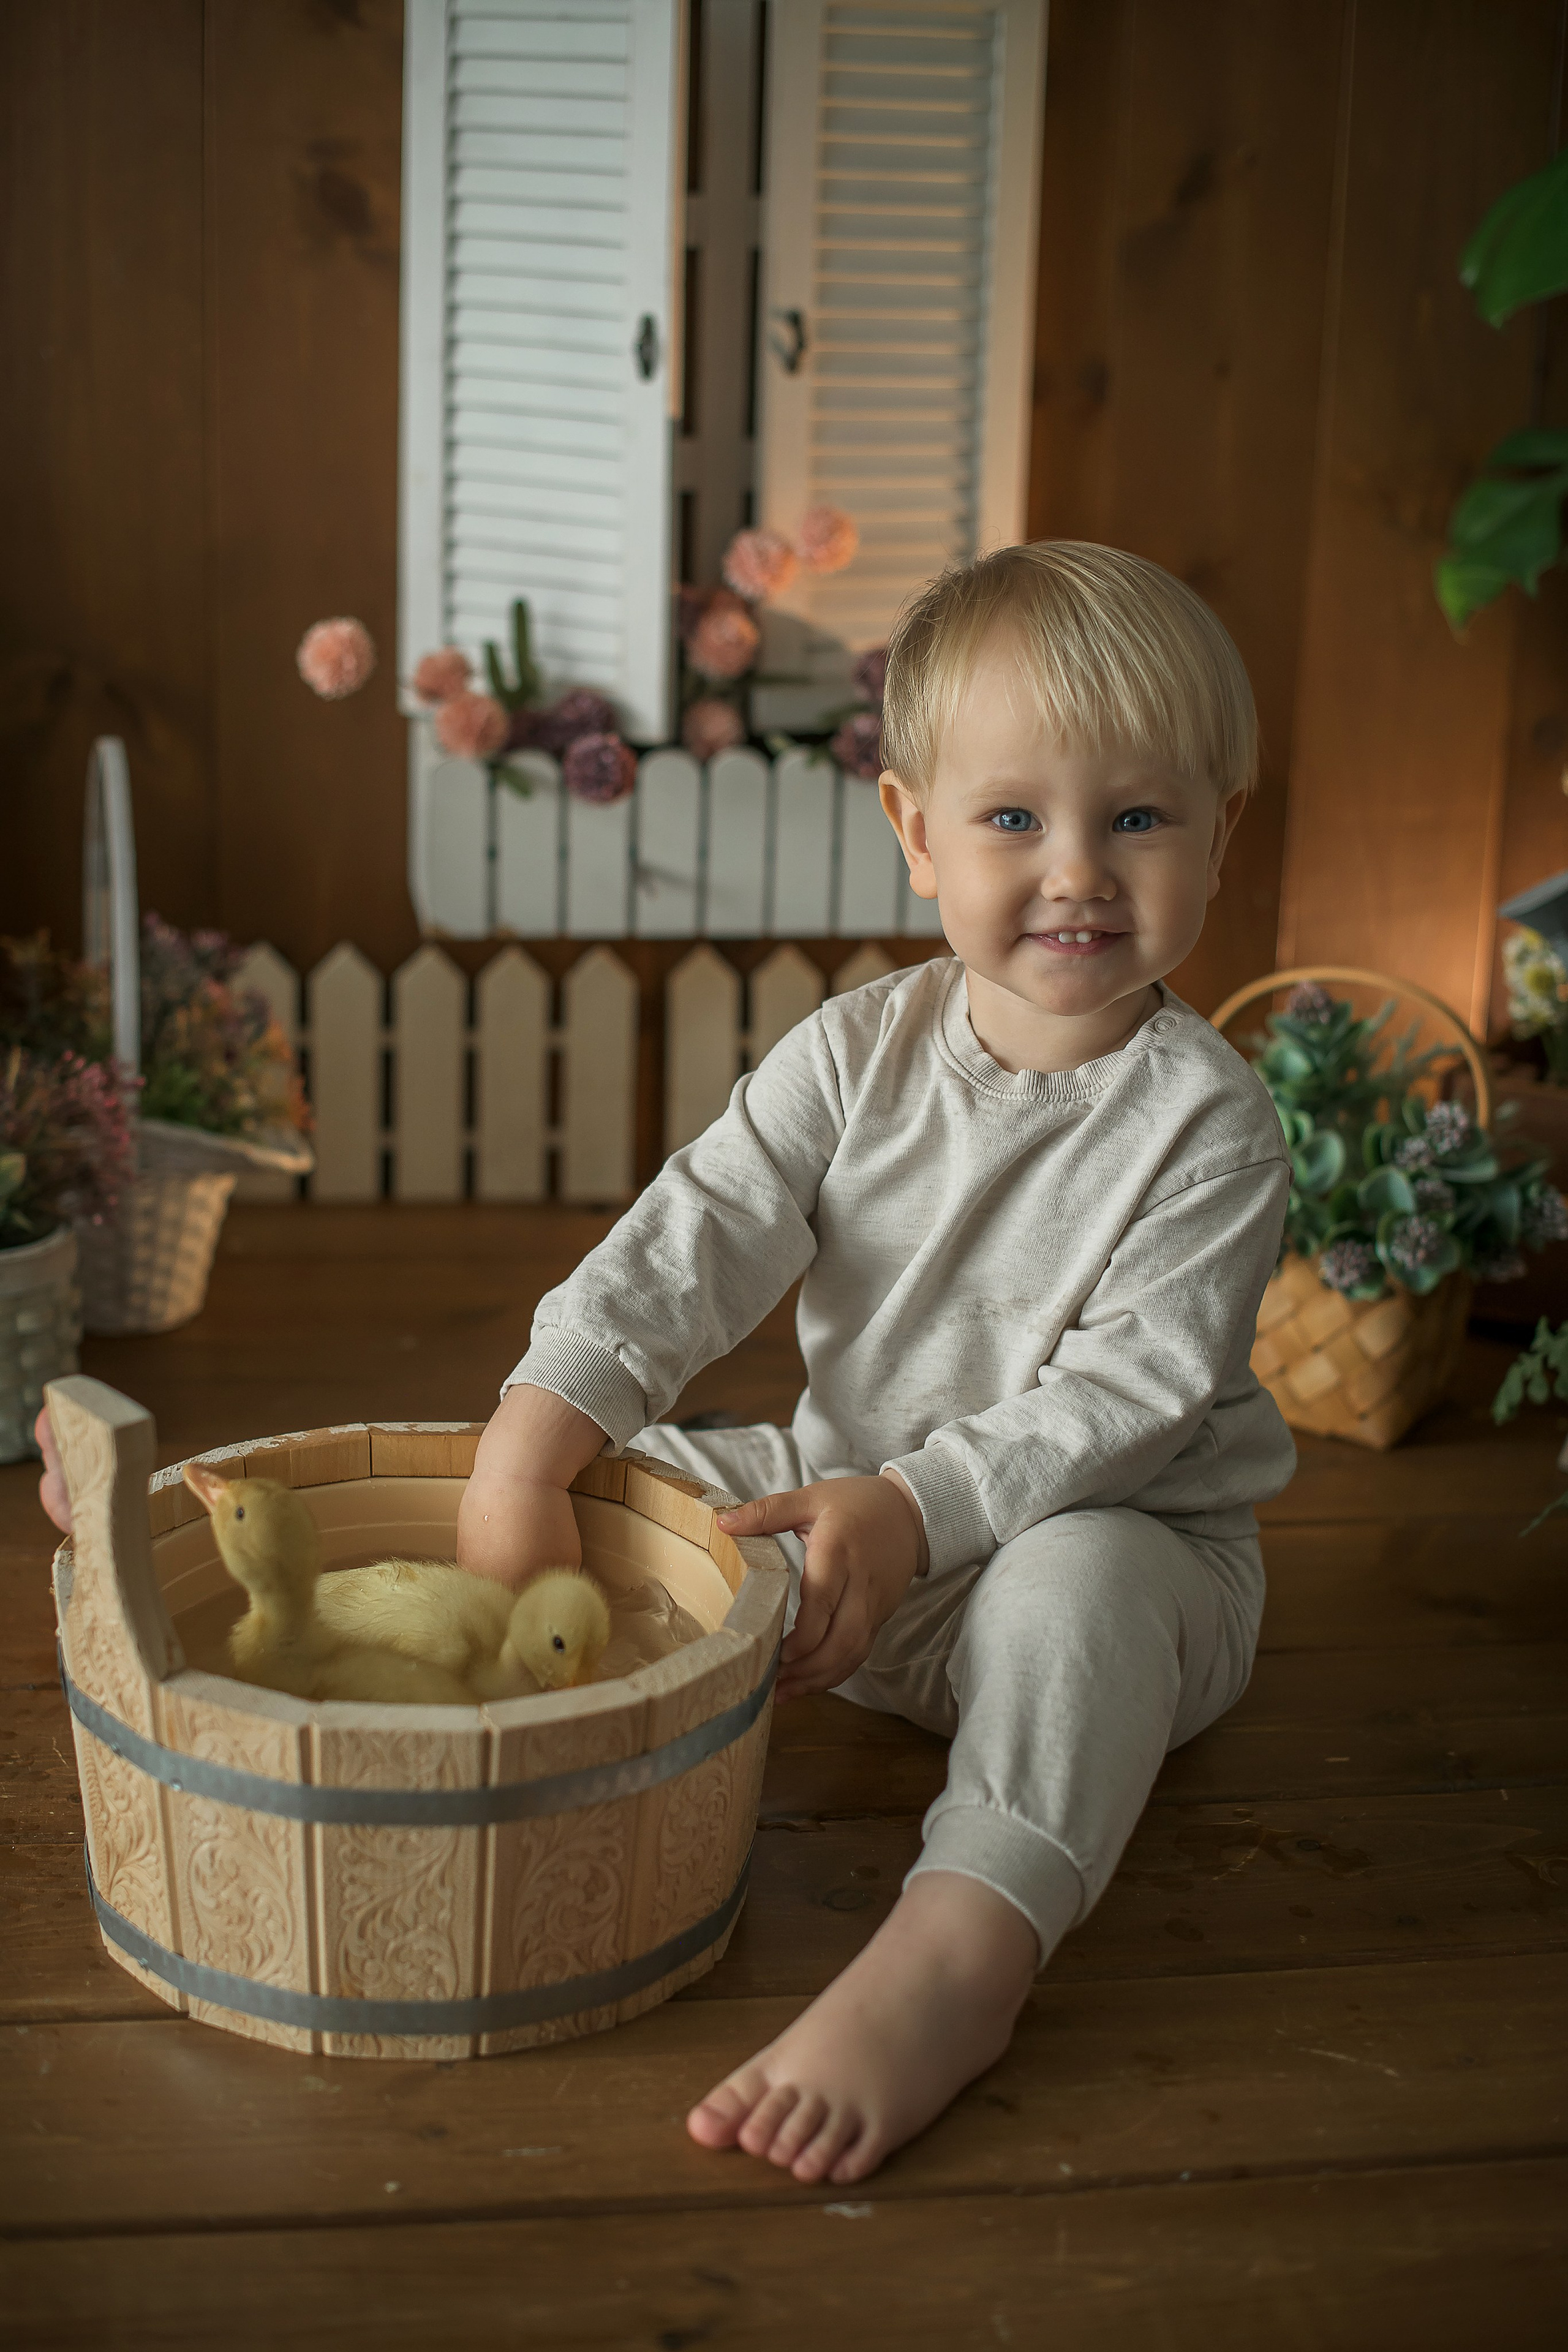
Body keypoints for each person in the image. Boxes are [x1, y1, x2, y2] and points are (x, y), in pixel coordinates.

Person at [39, 540, 1295, 2188]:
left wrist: (913, 1511)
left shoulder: (1210, 1127)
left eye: (1138, 818)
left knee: (1081, 1591)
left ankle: (964, 1949)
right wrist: (533, 1436)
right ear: (914, 829)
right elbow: (695, 1231)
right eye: (1014, 818)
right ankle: (267, 1563)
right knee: (649, 1481)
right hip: (850, 1509)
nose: (1077, 869)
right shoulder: (859, 1054)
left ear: (1220, 834)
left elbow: (1127, 1405)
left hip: (1107, 1545)